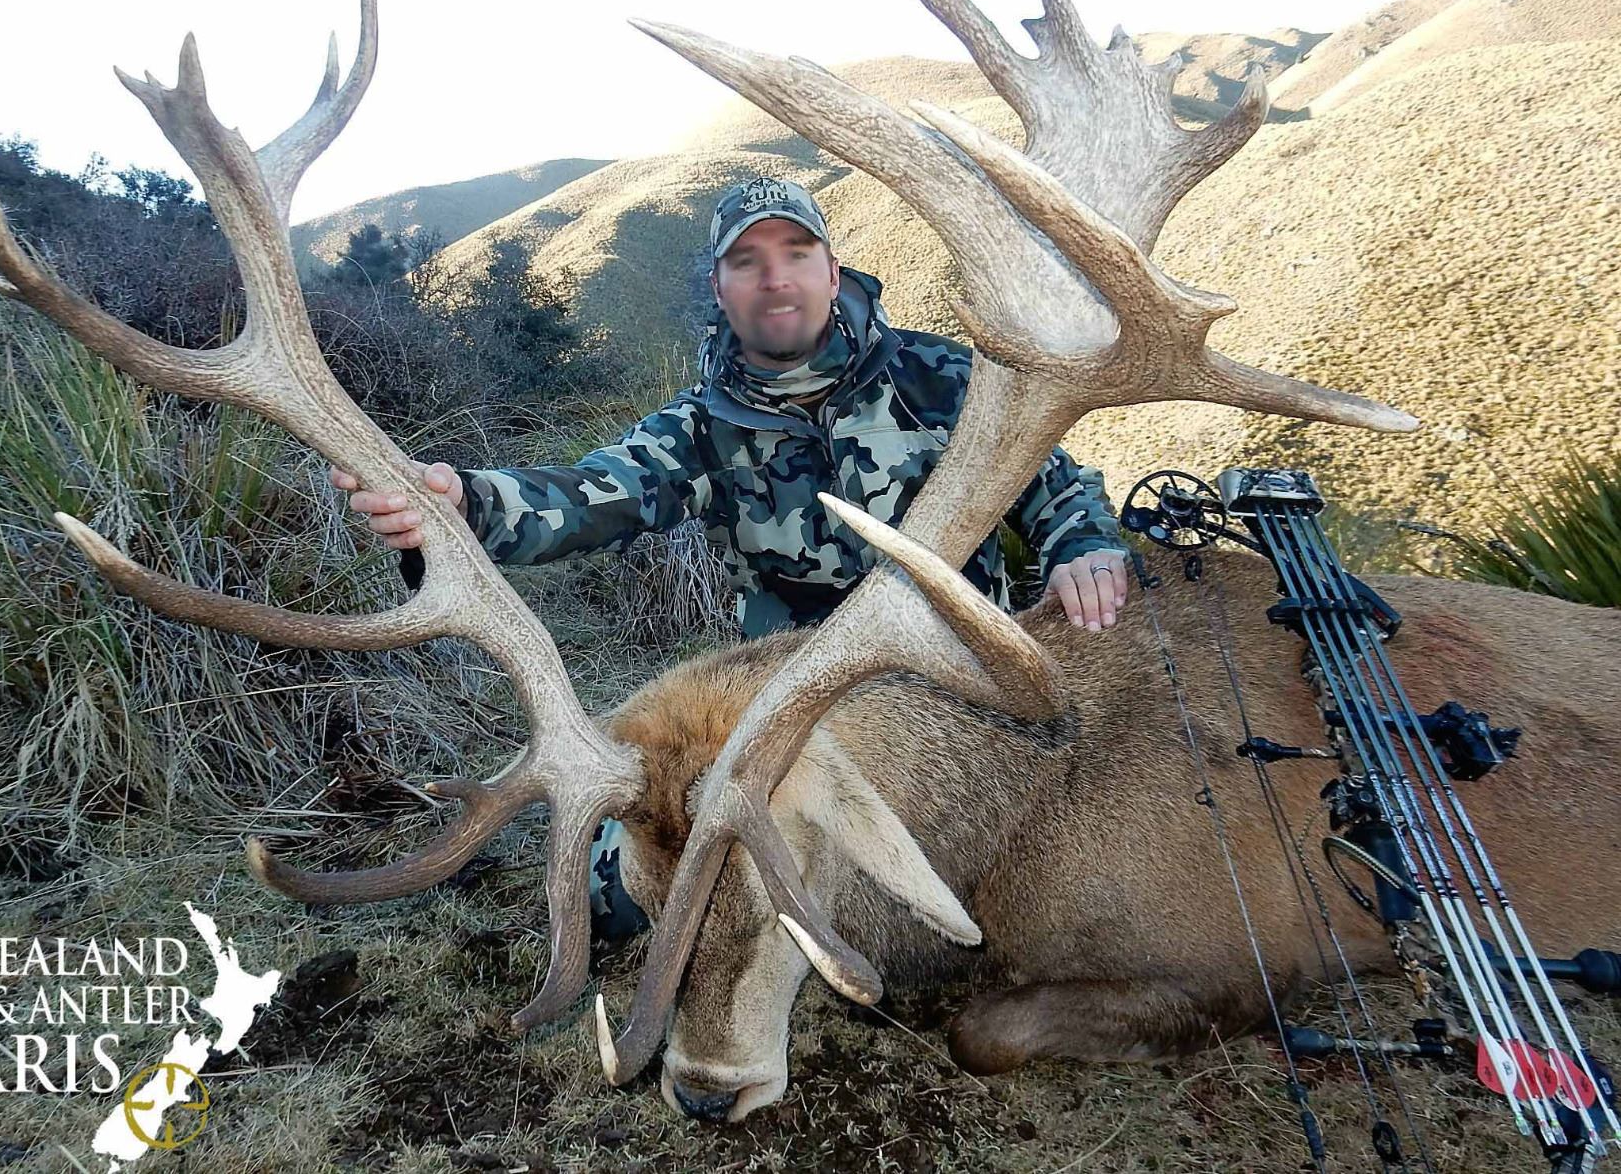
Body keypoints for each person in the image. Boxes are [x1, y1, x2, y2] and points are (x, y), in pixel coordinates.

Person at [332, 176, 1130, 937]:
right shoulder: (699, 428)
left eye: (795, 254)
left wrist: (1084, 545)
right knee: (611, 896)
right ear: (721, 288)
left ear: (832, 271)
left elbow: (1054, 480)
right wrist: (466, 503)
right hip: (792, 705)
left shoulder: (946, 379)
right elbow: (589, 495)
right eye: (747, 261)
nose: (774, 278)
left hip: (957, 686)